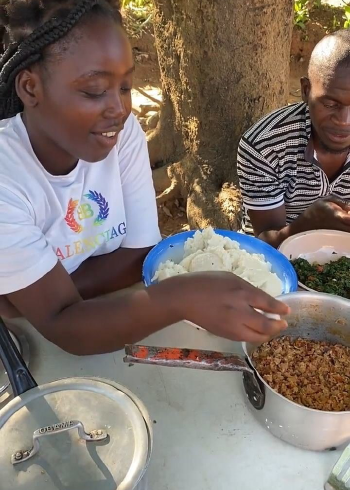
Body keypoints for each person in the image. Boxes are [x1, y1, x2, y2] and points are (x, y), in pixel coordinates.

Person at [0, 0, 288, 355]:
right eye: (94, 91)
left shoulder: (121, 135)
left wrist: (41, 297)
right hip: (26, 343)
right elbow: (65, 329)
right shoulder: (7, 179)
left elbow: (140, 253)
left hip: (105, 320)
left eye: (125, 87)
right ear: (30, 88)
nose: (120, 110)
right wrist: (179, 296)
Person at [237, 29, 350, 249]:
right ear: (306, 90)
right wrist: (308, 223)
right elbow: (263, 245)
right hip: (274, 263)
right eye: (330, 104)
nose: (344, 121)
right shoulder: (265, 146)